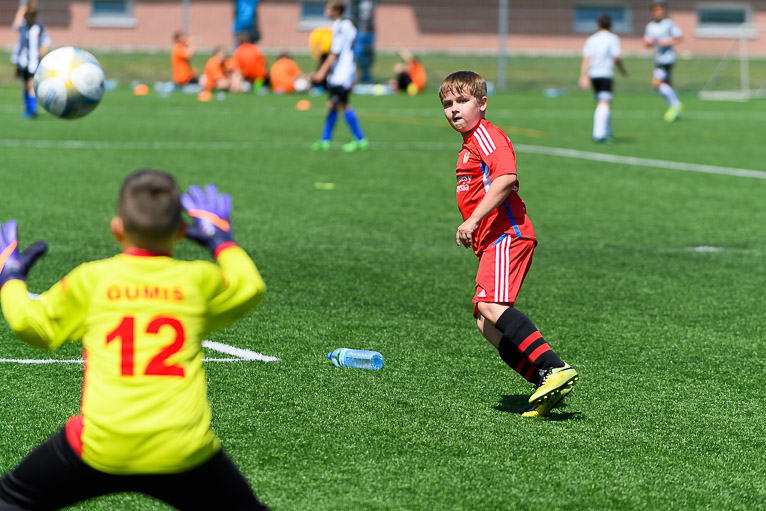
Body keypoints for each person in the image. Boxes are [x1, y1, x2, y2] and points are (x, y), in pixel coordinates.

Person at [0, 170, 270, 510]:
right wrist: (221, 241)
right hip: (182, 449)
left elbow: (28, 325)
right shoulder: (197, 281)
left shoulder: (91, 280)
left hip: (102, 445)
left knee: (11, 499)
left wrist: (10, 275)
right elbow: (251, 287)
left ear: (117, 228)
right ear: (182, 231)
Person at [439, 71, 578, 418]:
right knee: (486, 323)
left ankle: (553, 367)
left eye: (462, 101)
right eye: (447, 103)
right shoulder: (469, 144)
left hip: (507, 234)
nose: (454, 109)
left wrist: (472, 220)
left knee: (489, 305)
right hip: (493, 240)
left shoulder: (486, 136)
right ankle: (544, 380)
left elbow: (506, 178)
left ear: (482, 103)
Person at [311, 0, 368, 153]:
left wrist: (321, 72)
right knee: (332, 104)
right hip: (341, 72)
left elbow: (335, 52)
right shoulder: (346, 25)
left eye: (328, 8)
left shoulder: (342, 26)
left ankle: (360, 139)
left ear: (336, 10)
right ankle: (325, 140)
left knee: (343, 105)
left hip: (342, 74)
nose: (325, 10)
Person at [579, 13, 628, 143]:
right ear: (611, 25)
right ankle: (599, 134)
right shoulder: (613, 38)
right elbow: (616, 57)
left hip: (593, 74)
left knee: (602, 102)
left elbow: (587, 58)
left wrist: (583, 76)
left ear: (598, 24)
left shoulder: (592, 39)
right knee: (604, 102)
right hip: (605, 73)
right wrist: (622, 69)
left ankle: (607, 131)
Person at [644, 0, 683, 122]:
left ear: (664, 11)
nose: (658, 12)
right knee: (668, 85)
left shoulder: (668, 24)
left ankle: (676, 105)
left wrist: (667, 41)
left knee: (657, 84)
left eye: (660, 9)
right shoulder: (650, 26)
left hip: (667, 59)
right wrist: (649, 43)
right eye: (656, 10)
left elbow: (678, 38)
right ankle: (676, 110)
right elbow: (647, 43)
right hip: (658, 58)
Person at [10, 0, 50, 119]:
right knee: (25, 86)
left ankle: (32, 110)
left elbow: (47, 41)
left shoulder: (39, 27)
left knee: (31, 85)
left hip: (34, 62)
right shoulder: (23, 25)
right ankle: (27, 109)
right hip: (23, 61)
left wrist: (42, 51)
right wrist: (22, 8)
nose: (29, 17)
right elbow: (16, 24)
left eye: (31, 15)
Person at [349, 0, 376, 83]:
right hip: (360, 33)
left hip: (368, 33)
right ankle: (357, 77)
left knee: (368, 57)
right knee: (358, 56)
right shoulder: (356, 3)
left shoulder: (371, 3)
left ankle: (366, 77)